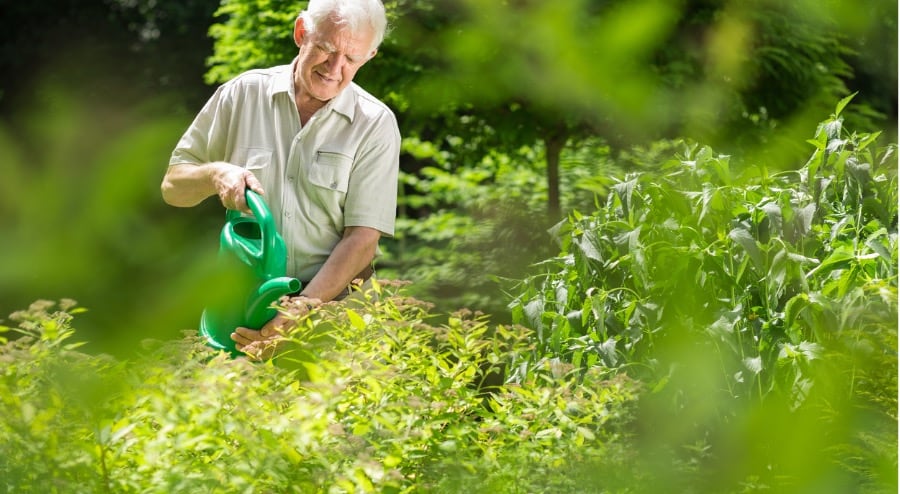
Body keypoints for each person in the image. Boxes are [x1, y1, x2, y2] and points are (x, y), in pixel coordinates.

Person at [160, 0, 399, 359]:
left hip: (333, 309)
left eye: (352, 58)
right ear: (302, 33)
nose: (335, 68)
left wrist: (299, 310)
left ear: (370, 55)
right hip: (241, 303)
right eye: (327, 48)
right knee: (234, 412)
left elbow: (363, 239)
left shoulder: (375, 123)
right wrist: (215, 174)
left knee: (332, 415)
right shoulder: (242, 94)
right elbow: (173, 188)